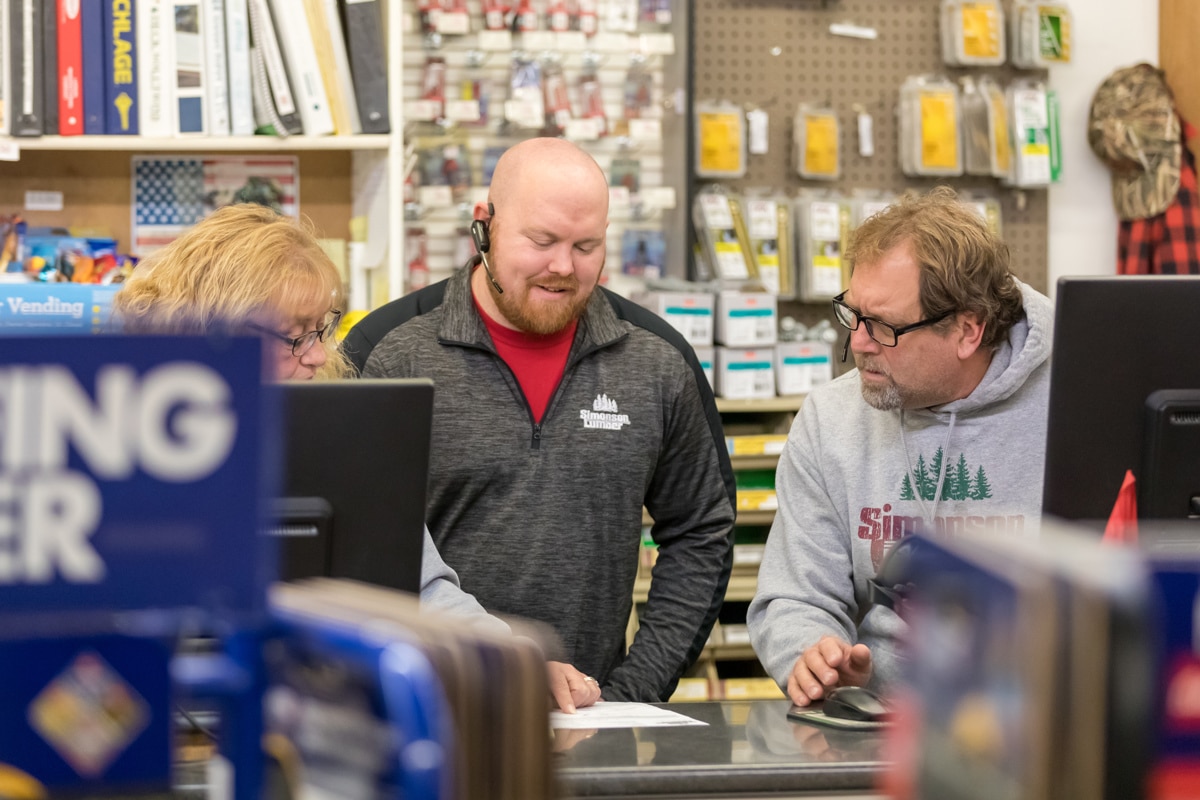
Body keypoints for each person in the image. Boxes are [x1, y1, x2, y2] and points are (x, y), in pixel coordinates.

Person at [114, 203, 601, 712]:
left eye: (319, 329)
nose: (319, 355)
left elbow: (424, 589)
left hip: (315, 723)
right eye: (293, 336)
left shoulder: (340, 435)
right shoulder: (118, 446)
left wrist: (508, 657)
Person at [344, 137, 737, 702]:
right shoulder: (389, 354)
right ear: (485, 226)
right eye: (542, 241)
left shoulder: (654, 360)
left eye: (586, 246)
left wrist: (634, 692)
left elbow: (702, 530)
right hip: (423, 714)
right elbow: (356, 550)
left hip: (593, 718)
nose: (563, 268)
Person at [747, 187, 1054, 707]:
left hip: (1036, 723)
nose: (859, 343)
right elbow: (796, 595)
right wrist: (814, 653)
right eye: (853, 315)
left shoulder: (1072, 407)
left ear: (967, 330)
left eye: (884, 326)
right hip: (881, 725)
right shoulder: (830, 419)